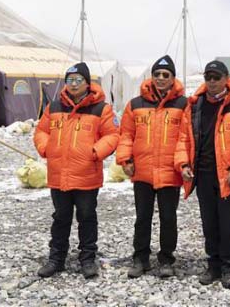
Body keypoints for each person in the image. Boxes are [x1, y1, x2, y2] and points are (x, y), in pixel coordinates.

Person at [33, 62, 120, 279]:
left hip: (86, 174)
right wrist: (46, 148)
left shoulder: (101, 108)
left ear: (87, 82)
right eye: (70, 80)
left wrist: (95, 152)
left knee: (87, 216)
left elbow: (112, 135)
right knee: (60, 217)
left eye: (78, 80)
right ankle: (56, 259)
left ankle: (87, 259)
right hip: (59, 174)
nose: (73, 84)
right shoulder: (54, 107)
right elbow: (41, 131)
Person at [174, 60, 230, 288]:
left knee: (228, 223)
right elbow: (183, 138)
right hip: (203, 174)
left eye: (216, 77)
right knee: (209, 223)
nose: (211, 81)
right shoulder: (195, 105)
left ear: (226, 78)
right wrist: (183, 164)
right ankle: (213, 265)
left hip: (227, 175)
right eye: (208, 77)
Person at [117, 55, 187, 278]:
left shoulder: (183, 104)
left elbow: (186, 138)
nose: (160, 78)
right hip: (143, 171)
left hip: (169, 171)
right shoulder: (136, 104)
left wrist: (184, 163)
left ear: (173, 78)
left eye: (165, 75)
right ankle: (140, 258)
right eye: (157, 74)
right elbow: (126, 135)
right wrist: (125, 160)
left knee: (168, 217)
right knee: (142, 217)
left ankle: (166, 259)